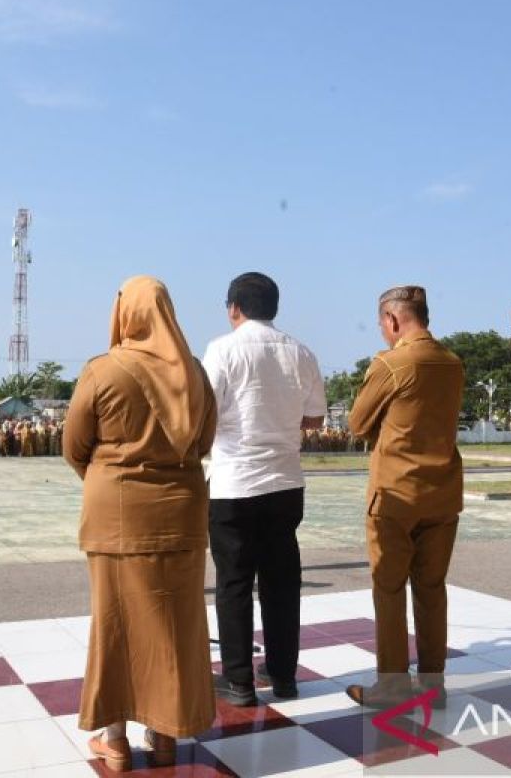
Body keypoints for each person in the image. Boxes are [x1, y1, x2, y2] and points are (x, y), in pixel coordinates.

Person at [64, 276, 218, 771]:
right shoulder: (193, 373)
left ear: (125, 314)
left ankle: (116, 738)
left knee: (115, 626)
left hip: (119, 519)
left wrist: (113, 475)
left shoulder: (103, 370)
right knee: (176, 628)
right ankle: (167, 732)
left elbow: (74, 446)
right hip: (183, 516)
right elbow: (206, 440)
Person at [202, 272, 327, 706]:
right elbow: (315, 420)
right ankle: (283, 675)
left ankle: (238, 681)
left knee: (233, 583)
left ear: (234, 307)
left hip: (234, 481)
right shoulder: (301, 352)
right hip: (284, 482)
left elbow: (205, 414)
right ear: (274, 307)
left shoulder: (221, 349)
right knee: (281, 582)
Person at [342, 286, 464, 708]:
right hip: (443, 493)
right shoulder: (452, 363)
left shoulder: (392, 364)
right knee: (432, 588)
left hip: (396, 494)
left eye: (382, 324)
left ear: (392, 320)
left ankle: (393, 684)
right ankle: (433, 683)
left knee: (389, 589)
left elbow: (358, 422)